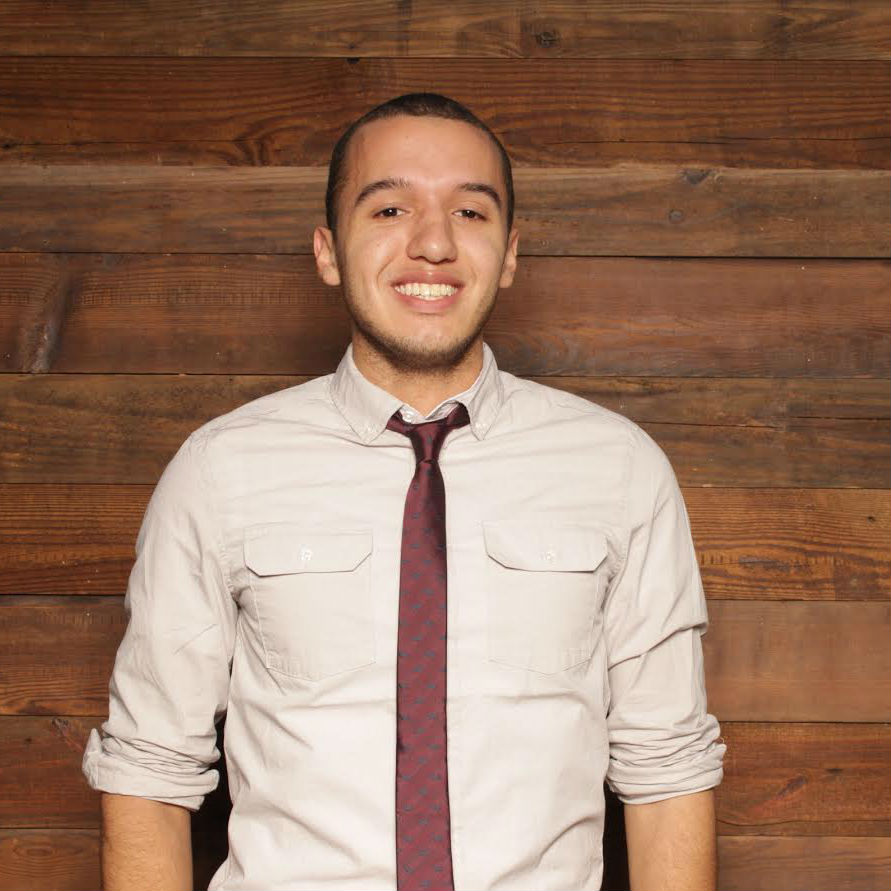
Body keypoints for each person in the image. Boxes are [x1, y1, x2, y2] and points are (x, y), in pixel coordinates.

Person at [83, 92, 726, 891]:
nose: (433, 243)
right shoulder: (220, 471)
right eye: (389, 208)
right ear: (327, 251)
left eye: (470, 212)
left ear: (510, 253)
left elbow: (667, 767)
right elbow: (148, 765)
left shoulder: (618, 469)